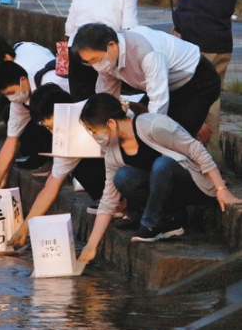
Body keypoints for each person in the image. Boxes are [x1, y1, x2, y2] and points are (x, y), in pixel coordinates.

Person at [77, 93, 242, 262]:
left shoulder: (153, 125)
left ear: (110, 123)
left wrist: (221, 188)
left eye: (94, 131)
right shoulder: (113, 151)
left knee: (163, 165)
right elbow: (108, 200)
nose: (95, 136)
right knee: (122, 177)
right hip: (166, 192)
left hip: (192, 185)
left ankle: (150, 225)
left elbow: (196, 150)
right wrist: (91, 245)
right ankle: (169, 219)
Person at [72, 23, 220, 145]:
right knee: (139, 118)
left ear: (111, 45)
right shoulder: (108, 60)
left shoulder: (145, 52)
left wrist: (146, 139)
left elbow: (158, 107)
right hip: (165, 84)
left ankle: (196, 176)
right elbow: (105, 100)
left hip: (197, 80)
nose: (95, 66)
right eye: (89, 62)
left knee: (177, 137)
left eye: (95, 59)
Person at [7, 83, 107, 249]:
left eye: (56, 126)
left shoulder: (98, 111)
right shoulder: (68, 140)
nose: (55, 133)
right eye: (49, 128)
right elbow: (52, 185)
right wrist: (24, 229)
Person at [162, 0, 242, 168]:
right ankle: (211, 165)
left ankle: (200, 168)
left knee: (190, 102)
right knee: (212, 104)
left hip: (197, 37)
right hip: (220, 36)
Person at [0, 34, 68, 171]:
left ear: (6, 58)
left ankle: (44, 158)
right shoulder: (23, 46)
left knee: (25, 112)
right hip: (52, 77)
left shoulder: (27, 72)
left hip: (54, 94)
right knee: (7, 104)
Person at [0, 61, 69, 188]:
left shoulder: (52, 81)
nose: (11, 98)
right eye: (6, 95)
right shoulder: (18, 102)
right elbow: (11, 141)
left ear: (23, 80)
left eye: (11, 92)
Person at [64, 0, 139, 101]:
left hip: (79, 49)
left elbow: (69, 27)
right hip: (107, 51)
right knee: (109, 101)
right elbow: (130, 27)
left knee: (82, 103)